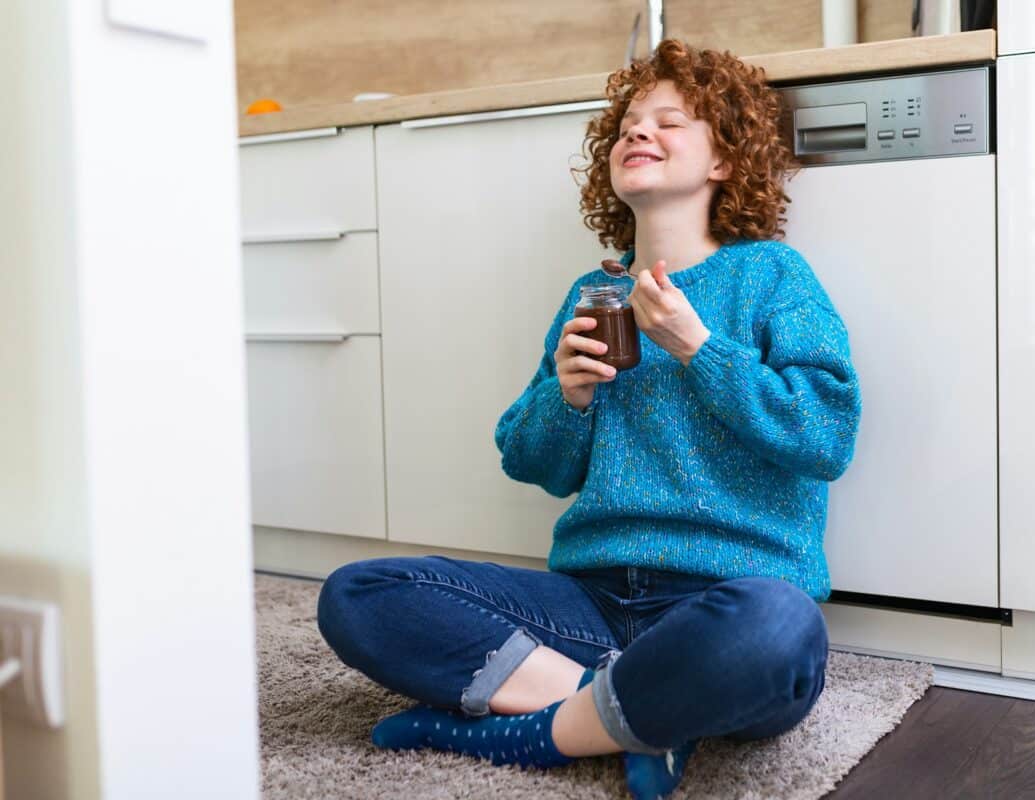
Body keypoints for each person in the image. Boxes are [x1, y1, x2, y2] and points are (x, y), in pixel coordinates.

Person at [317, 38, 862, 799]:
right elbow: (533, 462)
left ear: (725, 163)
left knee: (780, 627)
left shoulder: (773, 275)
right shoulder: (593, 292)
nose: (639, 132)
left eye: (671, 123)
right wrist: (567, 398)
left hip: (723, 597)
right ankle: (639, 711)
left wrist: (699, 347)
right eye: (630, 124)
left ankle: (538, 734)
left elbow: (827, 436)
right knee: (357, 595)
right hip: (589, 602)